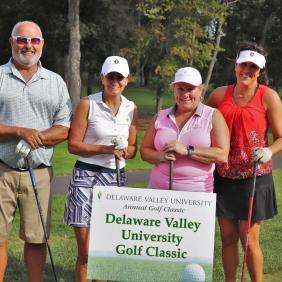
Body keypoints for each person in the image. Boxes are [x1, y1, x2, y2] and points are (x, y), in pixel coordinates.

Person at [0, 21, 72, 282]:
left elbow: (64, 128)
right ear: (11, 42)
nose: (28, 46)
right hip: (2, 170)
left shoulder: (55, 82)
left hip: (39, 172)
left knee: (37, 237)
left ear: (42, 44)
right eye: (21, 40)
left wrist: (35, 138)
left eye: (34, 41)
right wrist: (19, 132)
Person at [207, 41, 282, 282]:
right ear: (235, 66)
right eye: (243, 64)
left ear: (260, 71)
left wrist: (270, 150)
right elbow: (200, 125)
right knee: (227, 237)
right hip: (224, 175)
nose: (247, 70)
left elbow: (281, 137)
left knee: (249, 239)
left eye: (253, 66)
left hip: (254, 177)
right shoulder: (219, 94)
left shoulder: (268, 96)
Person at [63, 55, 138, 282]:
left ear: (127, 80)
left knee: (104, 251)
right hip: (85, 175)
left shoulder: (131, 108)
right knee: (86, 253)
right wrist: (106, 149)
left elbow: (132, 147)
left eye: (119, 77)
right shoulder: (88, 103)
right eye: (110, 76)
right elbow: (73, 145)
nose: (114, 81)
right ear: (102, 77)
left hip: (115, 177)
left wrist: (126, 151)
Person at [140, 67, 229, 192]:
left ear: (200, 89)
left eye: (190, 89)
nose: (185, 94)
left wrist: (187, 151)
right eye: (180, 89)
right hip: (158, 194)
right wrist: (161, 156)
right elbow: (145, 151)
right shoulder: (160, 117)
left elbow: (222, 155)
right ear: (174, 90)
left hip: (197, 196)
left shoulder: (213, 116)